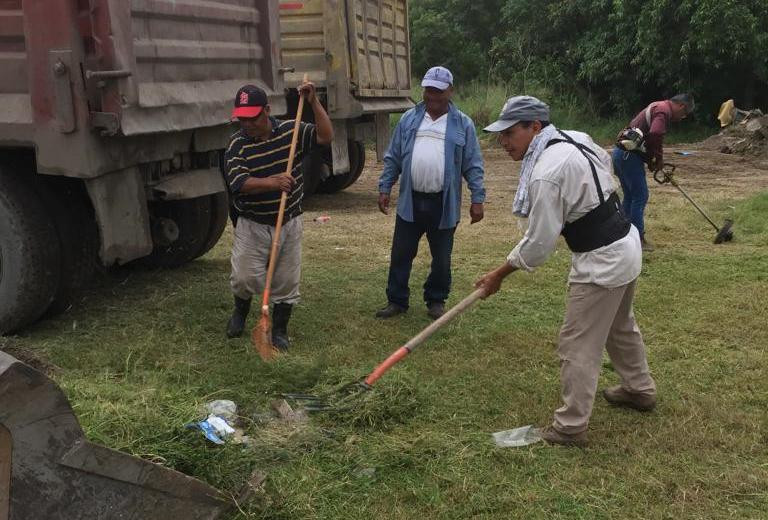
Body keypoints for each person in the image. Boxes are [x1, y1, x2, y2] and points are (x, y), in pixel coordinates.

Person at [477, 96, 657, 447]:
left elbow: (538, 244)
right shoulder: (574, 137)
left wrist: (498, 274)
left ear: (535, 127)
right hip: (626, 242)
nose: (503, 142)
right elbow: (605, 162)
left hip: (604, 261)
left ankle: (571, 427)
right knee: (620, 325)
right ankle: (640, 389)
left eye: (510, 133)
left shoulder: (547, 173)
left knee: (578, 344)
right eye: (501, 134)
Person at [224, 81, 333, 349]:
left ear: (267, 110)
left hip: (289, 220)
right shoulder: (236, 145)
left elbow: (325, 136)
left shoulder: (290, 131)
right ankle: (240, 312)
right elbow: (239, 183)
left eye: (252, 118)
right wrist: (273, 183)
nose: (247, 124)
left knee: (286, 279)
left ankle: (280, 330)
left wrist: (313, 102)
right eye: (242, 119)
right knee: (244, 278)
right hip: (253, 222)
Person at [376, 66, 486, 320]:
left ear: (450, 91)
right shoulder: (409, 119)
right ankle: (396, 300)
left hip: (443, 203)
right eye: (428, 90)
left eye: (438, 91)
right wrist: (385, 187)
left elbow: (473, 164)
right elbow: (393, 157)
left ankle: (436, 300)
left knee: (442, 258)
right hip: (410, 201)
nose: (432, 96)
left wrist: (477, 199)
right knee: (401, 253)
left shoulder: (463, 124)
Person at [612, 94, 695, 251]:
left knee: (630, 197)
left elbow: (646, 139)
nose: (681, 118)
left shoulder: (657, 106)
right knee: (640, 196)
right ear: (681, 106)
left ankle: (621, 235)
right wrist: (658, 158)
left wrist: (650, 160)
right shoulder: (663, 111)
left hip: (620, 154)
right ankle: (638, 238)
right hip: (628, 156)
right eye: (684, 115)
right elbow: (656, 133)